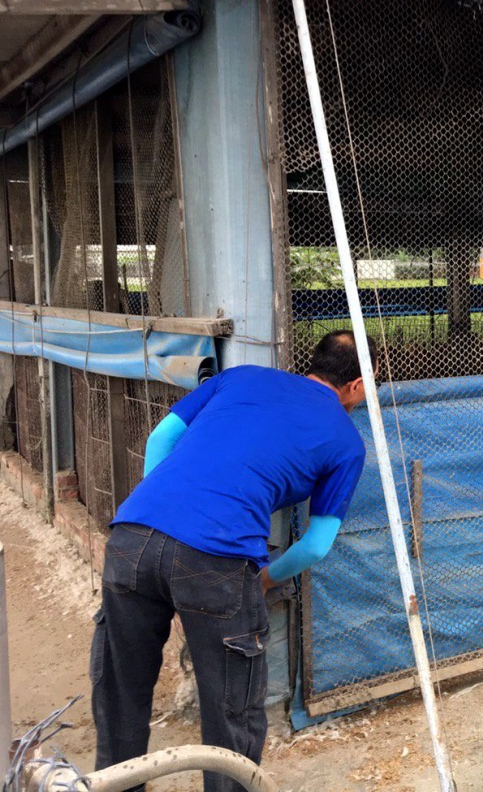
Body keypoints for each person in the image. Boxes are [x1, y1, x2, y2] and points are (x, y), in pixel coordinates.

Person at [89, 330, 377, 791]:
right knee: (231, 712)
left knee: (120, 690)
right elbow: (317, 544)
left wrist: (160, 510)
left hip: (132, 537)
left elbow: (161, 436)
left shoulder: (240, 378)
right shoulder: (345, 440)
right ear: (358, 385)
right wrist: (266, 578)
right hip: (216, 558)